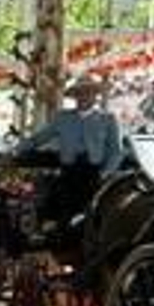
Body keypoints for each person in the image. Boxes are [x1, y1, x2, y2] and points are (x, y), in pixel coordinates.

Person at [16, 75, 124, 227]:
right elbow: (38, 139)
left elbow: (116, 152)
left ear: (95, 95)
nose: (84, 96)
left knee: (93, 220)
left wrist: (103, 174)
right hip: (68, 174)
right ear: (75, 97)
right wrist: (16, 150)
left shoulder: (108, 119)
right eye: (80, 93)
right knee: (57, 216)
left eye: (88, 92)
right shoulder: (63, 118)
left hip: (94, 176)